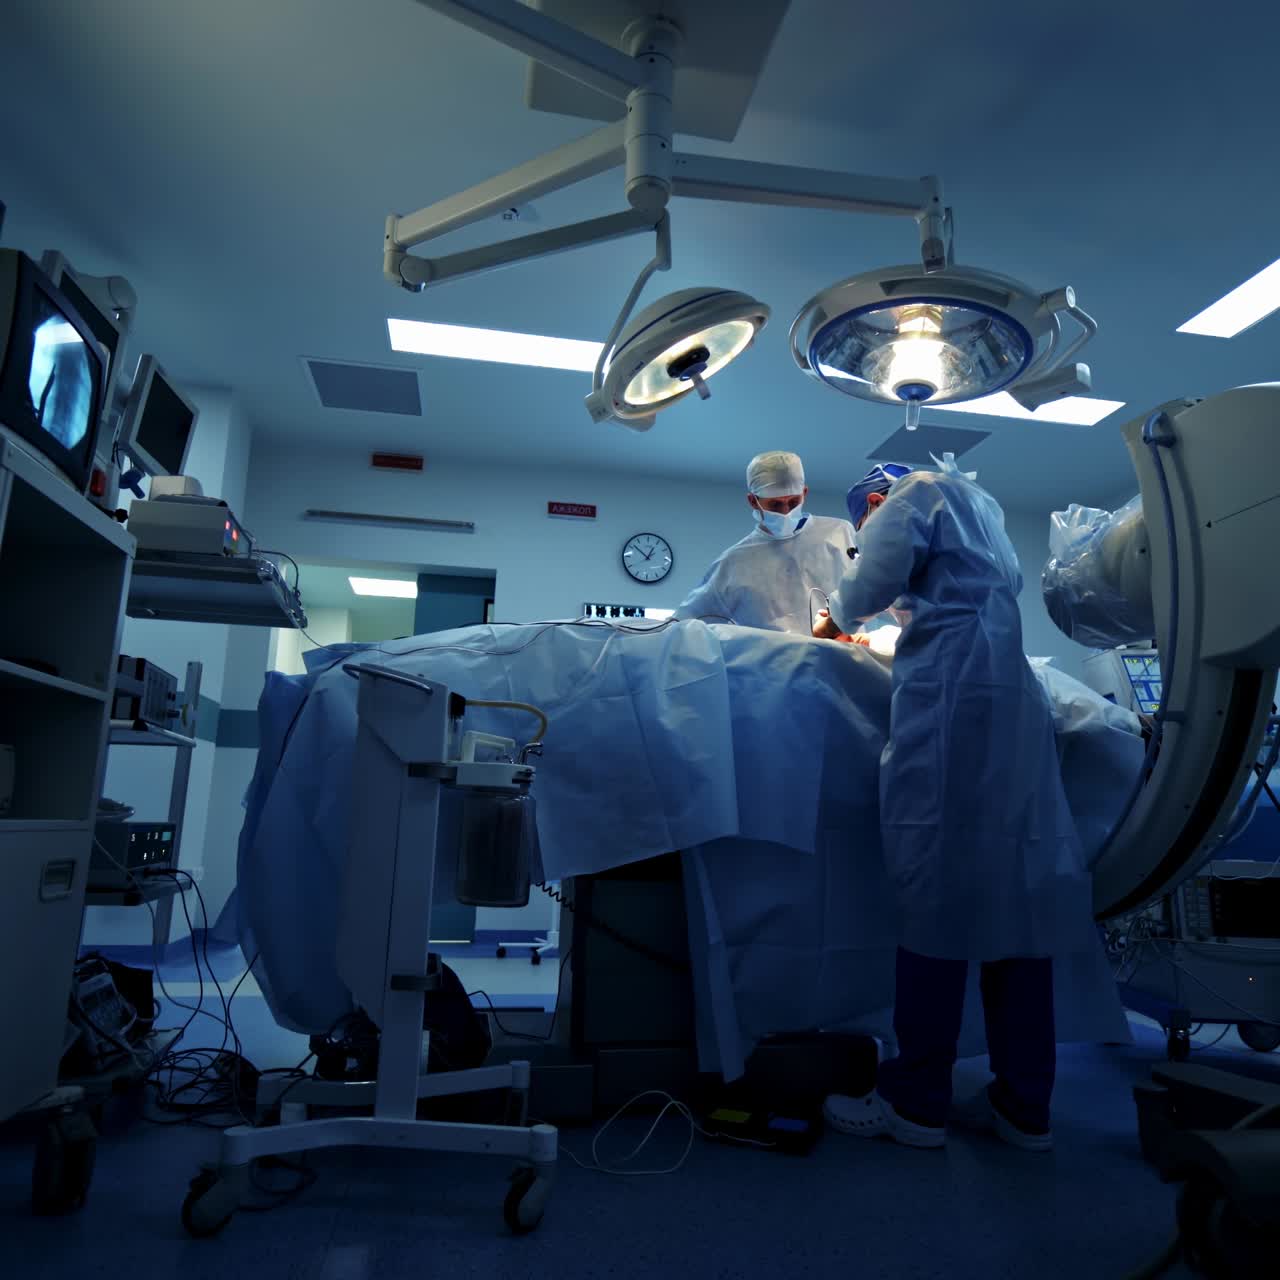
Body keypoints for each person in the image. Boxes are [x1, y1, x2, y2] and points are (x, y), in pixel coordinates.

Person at [813, 454, 1093, 1152]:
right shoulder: (982, 510)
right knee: (1018, 904)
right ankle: (1026, 1107)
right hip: (1011, 701)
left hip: (950, 700)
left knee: (933, 892)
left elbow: (861, 592)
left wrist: (832, 622)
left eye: (862, 524)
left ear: (872, 503)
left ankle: (917, 1104)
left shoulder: (911, 495)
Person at [674, 451, 856, 633]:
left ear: (805, 493)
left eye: (793, 502)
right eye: (775, 505)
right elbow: (684, 622)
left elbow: (874, 590)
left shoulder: (838, 534)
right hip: (775, 661)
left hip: (846, 656)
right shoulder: (734, 562)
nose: (785, 512)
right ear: (753, 501)